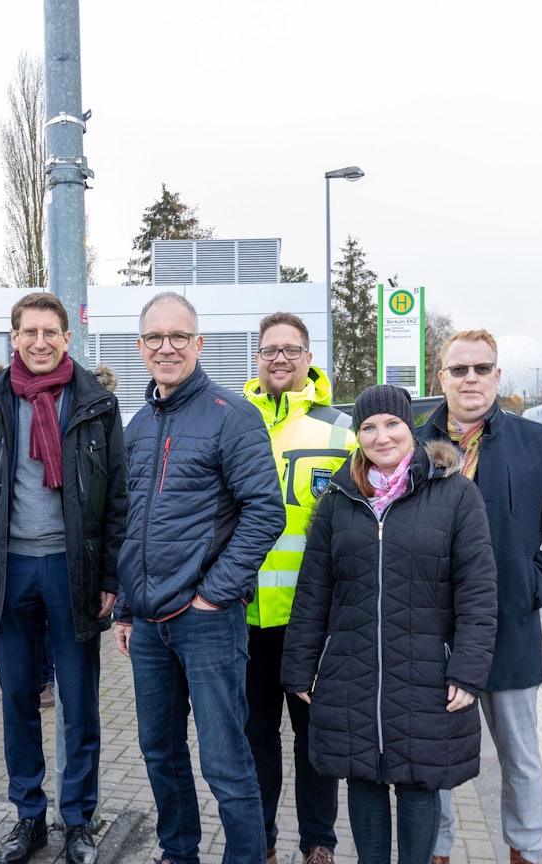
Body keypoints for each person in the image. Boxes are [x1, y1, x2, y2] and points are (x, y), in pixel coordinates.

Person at [281, 384, 498, 864]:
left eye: (391, 424)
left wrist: (468, 669)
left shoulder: (456, 494)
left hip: (426, 669)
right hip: (352, 667)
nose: (381, 437)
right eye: (368, 427)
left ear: (411, 429)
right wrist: (299, 665)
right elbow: (314, 589)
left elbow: (478, 592)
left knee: (419, 781)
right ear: (357, 435)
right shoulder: (338, 499)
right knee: (362, 777)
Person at [111, 292, 285, 864]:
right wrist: (126, 609)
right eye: (155, 338)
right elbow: (131, 524)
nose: (167, 347)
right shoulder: (136, 426)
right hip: (150, 625)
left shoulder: (232, 415)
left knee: (225, 759)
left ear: (198, 344)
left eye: (178, 336)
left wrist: (215, 593)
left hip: (207, 622)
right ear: (140, 348)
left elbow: (266, 512)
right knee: (159, 752)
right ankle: (178, 852)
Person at [0, 292, 127, 864]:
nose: (39, 342)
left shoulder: (97, 405)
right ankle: (28, 817)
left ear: (66, 338)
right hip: (8, 572)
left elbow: (117, 502)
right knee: (17, 703)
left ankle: (78, 819)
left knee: (78, 702)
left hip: (72, 572)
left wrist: (109, 577)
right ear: (13, 338)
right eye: (29, 332)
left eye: (50, 332)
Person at [418, 330, 542, 864]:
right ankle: (437, 851)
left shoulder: (538, 444)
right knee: (432, 757)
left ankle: (526, 851)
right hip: (429, 630)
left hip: (509, 630)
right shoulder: (410, 444)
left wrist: (532, 587)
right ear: (440, 377)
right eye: (459, 369)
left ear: (497, 377)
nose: (471, 378)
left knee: (521, 757)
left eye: (482, 368)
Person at [240, 312, 355, 864]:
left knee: (315, 740)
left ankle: (319, 844)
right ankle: (260, 840)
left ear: (309, 358)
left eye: (291, 349)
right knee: (256, 736)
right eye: (269, 350)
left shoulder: (342, 430)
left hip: (314, 619)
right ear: (256, 359)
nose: (279, 358)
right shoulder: (234, 421)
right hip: (244, 616)